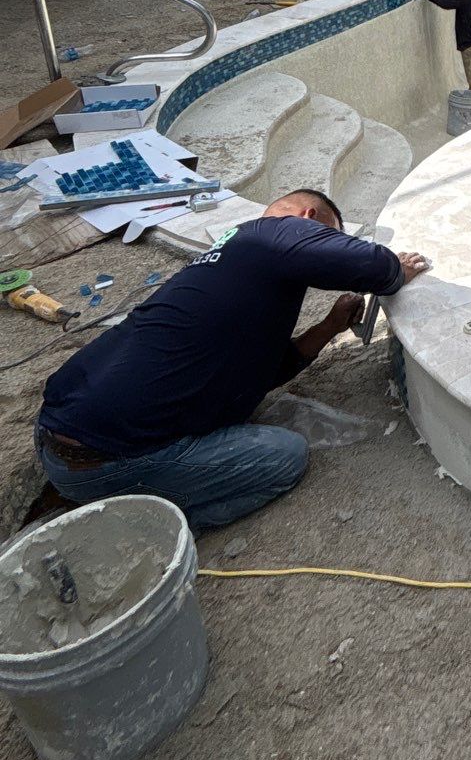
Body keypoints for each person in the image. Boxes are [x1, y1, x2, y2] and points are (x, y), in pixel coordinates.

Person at [34, 189, 428, 531]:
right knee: (283, 456)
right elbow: (367, 263)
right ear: (309, 218)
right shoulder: (272, 232)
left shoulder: (231, 264)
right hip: (108, 459)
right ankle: (136, 523)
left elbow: (262, 374)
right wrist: (396, 271)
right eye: (328, 234)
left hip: (59, 435)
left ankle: (111, 496)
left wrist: (328, 327)